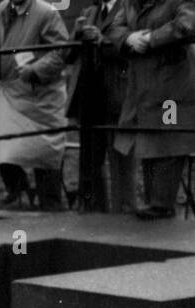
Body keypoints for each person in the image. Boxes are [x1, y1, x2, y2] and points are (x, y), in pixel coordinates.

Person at [113, 0, 195, 220]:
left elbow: (187, 25)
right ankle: (157, 204)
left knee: (170, 136)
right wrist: (128, 38)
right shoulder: (130, 2)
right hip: (144, 84)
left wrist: (151, 38)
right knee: (150, 137)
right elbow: (116, 26)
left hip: (174, 84)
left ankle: (161, 204)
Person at [0, 0, 70, 210]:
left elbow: (62, 50)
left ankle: (50, 205)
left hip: (41, 94)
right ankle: (18, 187)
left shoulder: (46, 12)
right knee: (4, 146)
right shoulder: (2, 10)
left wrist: (35, 70)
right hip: (12, 91)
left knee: (46, 152)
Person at [67, 0, 134, 213]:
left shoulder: (129, 9)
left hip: (117, 95)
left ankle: (123, 212)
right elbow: (67, 56)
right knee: (91, 160)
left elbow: (132, 46)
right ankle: (96, 211)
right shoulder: (90, 12)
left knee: (120, 159)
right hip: (90, 97)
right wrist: (77, 35)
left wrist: (101, 39)